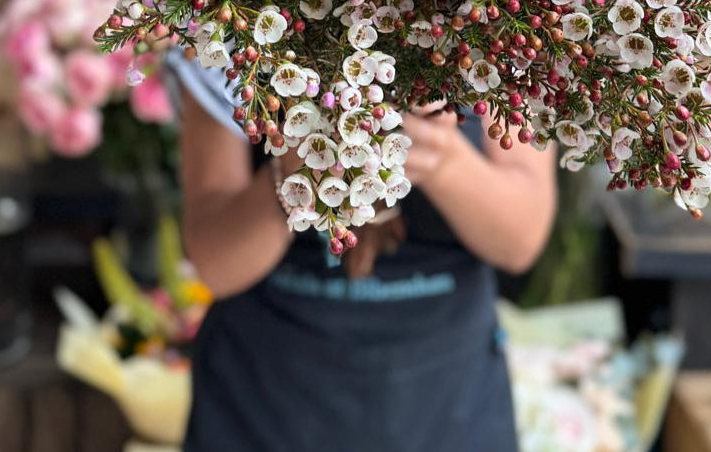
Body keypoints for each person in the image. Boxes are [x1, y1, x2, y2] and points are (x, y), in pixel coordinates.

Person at [173, 56, 557, 452]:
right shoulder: (231, 32)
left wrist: (443, 160)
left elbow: (520, 240)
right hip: (264, 403)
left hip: (447, 403)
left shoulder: (503, 31)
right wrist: (292, 176)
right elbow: (214, 264)